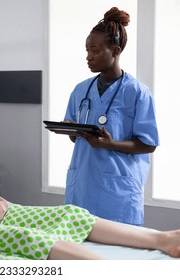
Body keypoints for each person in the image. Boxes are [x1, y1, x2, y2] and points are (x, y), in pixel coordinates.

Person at [0, 87, 180, 260]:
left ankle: (161, 239)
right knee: (29, 238)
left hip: (0, 212)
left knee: (71, 214)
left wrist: (2, 202)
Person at [63, 7, 159, 226]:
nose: (88, 57)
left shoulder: (137, 92)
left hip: (117, 191)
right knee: (79, 248)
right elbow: (74, 136)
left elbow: (148, 144)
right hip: (83, 186)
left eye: (95, 50)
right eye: (87, 50)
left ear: (115, 51)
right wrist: (70, 129)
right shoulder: (81, 90)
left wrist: (110, 143)